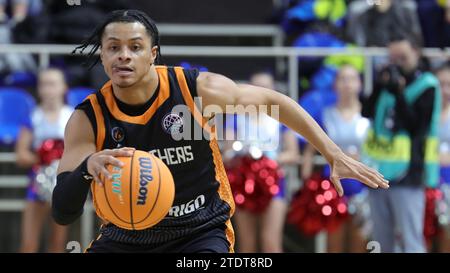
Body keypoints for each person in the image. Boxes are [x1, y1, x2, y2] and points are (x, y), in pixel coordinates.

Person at [51, 9, 389, 253]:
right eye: (113, 47)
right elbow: (63, 213)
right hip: (127, 235)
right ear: (103, 53)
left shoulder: (197, 90)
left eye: (135, 47)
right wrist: (85, 169)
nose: (123, 56)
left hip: (199, 231)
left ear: (152, 54)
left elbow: (278, 103)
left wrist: (333, 153)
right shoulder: (88, 118)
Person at [362, 33, 441, 253]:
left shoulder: (428, 84)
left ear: (416, 52)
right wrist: (379, 86)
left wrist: (399, 93)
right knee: (380, 238)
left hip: (410, 173)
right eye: (393, 58)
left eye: (403, 58)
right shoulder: (387, 82)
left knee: (410, 238)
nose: (397, 64)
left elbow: (416, 126)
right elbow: (366, 112)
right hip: (378, 171)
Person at [223, 71, 300, 253]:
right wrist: (240, 151)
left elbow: (293, 153)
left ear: (273, 90)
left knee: (270, 243)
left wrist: (269, 160)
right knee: (247, 243)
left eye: (266, 87)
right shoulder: (237, 118)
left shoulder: (281, 119)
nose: (261, 91)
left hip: (274, 184)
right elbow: (225, 153)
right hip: (244, 183)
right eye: (256, 87)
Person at [301, 64, 370, 253]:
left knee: (360, 245)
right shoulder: (326, 114)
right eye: (342, 79)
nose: (347, 84)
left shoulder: (369, 115)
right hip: (333, 186)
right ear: (335, 85)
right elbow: (311, 146)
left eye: (352, 79)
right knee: (334, 246)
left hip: (362, 186)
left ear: (360, 84)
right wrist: (306, 172)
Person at [15, 68, 72, 252]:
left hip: (63, 183)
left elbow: (81, 152)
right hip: (37, 183)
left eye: (53, 84)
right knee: (29, 244)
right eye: (44, 84)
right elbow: (21, 155)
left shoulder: (72, 116)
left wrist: (61, 159)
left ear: (64, 87)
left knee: (57, 244)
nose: (48, 89)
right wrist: (42, 157)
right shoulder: (33, 116)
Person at [433, 62, 450, 252]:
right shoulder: (424, 113)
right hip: (427, 184)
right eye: (440, 85)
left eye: (449, 85)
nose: (445, 90)